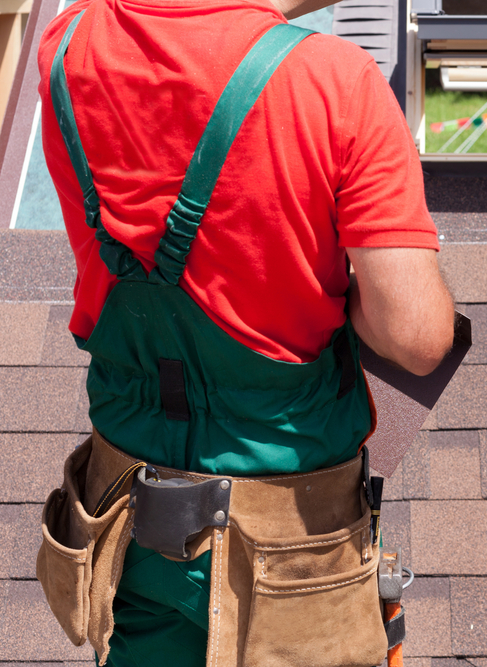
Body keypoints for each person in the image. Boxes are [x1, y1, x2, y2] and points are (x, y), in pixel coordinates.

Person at [34, 0, 454, 663]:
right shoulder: (333, 81)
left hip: (126, 534)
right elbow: (416, 334)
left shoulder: (66, 48)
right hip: (288, 555)